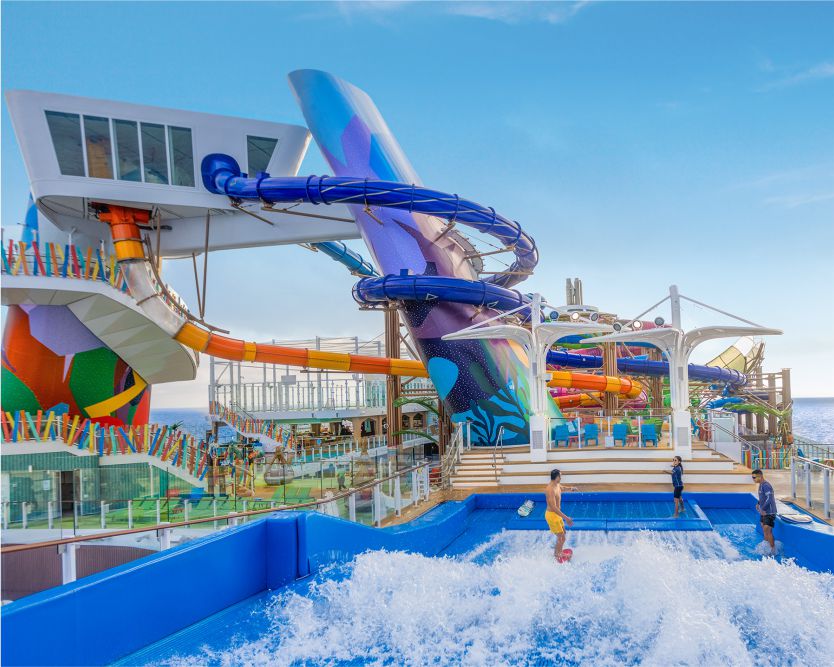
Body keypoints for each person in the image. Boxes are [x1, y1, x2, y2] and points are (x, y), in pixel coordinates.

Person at [545, 469, 578, 561]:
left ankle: (557, 552)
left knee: (563, 534)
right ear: (556, 477)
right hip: (552, 515)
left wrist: (570, 488)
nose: (561, 478)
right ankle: (558, 555)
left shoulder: (556, 484)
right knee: (561, 537)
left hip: (557, 515)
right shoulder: (550, 490)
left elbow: (562, 488)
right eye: (560, 476)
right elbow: (553, 507)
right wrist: (566, 518)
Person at [752, 469, 777, 554]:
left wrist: (763, 508)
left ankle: (773, 550)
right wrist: (758, 503)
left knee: (767, 530)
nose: (753, 479)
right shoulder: (761, 485)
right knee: (764, 529)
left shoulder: (766, 485)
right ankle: (767, 547)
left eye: (754, 477)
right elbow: (763, 497)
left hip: (769, 512)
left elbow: (770, 499)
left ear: (760, 476)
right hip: (764, 512)